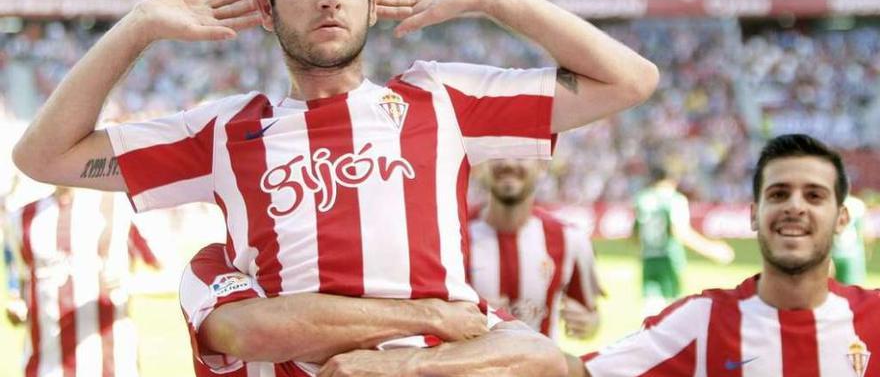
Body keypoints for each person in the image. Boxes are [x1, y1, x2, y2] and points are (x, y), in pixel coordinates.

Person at [12, 0, 658, 376]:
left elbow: (630, 79)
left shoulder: (441, 98)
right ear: (265, 11)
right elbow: (44, 155)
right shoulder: (223, 129)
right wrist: (137, 27)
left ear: (373, 2)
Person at [571, 134, 880, 377]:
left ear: (842, 218)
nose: (795, 206)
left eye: (814, 195)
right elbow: (581, 373)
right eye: (778, 194)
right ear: (754, 215)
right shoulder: (699, 320)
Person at [180, 243, 561, 376]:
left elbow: (544, 358)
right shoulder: (214, 264)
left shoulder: (410, 280)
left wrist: (405, 365)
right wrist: (426, 316)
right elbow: (246, 332)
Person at [3, 186, 160, 377]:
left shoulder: (118, 205)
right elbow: (22, 282)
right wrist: (18, 304)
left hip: (111, 365)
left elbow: (171, 275)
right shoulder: (22, 218)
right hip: (45, 366)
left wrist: (131, 283)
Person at [468, 158, 603, 340]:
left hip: (543, 368)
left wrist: (588, 324)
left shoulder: (571, 239)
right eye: (498, 152)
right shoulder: (454, 233)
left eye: (522, 154)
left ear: (542, 165)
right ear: (481, 163)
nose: (509, 163)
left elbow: (592, 316)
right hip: (471, 366)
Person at [632, 165, 735, 315]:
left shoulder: (642, 198)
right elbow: (680, 232)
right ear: (671, 180)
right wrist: (713, 249)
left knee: (651, 309)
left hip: (648, 259)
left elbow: (635, 233)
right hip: (668, 259)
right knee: (672, 312)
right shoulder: (674, 200)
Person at [832, 194, 874, 285]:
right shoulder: (857, 204)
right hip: (847, 251)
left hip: (844, 251)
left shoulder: (854, 204)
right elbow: (861, 231)